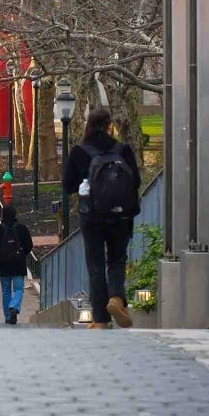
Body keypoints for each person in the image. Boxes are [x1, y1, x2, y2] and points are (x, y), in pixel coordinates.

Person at [62, 108, 141, 330]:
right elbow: (135, 180)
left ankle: (100, 319)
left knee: (95, 264)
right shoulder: (123, 150)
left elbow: (67, 186)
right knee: (117, 259)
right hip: (121, 217)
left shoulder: (79, 151)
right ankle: (116, 298)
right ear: (109, 125)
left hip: (92, 217)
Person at [0, 204, 33, 325]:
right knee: (19, 289)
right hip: (19, 263)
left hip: (3, 264)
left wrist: (1, 251)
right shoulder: (22, 228)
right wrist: (22, 253)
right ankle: (14, 306)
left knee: (6, 291)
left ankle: (8, 316)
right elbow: (29, 246)